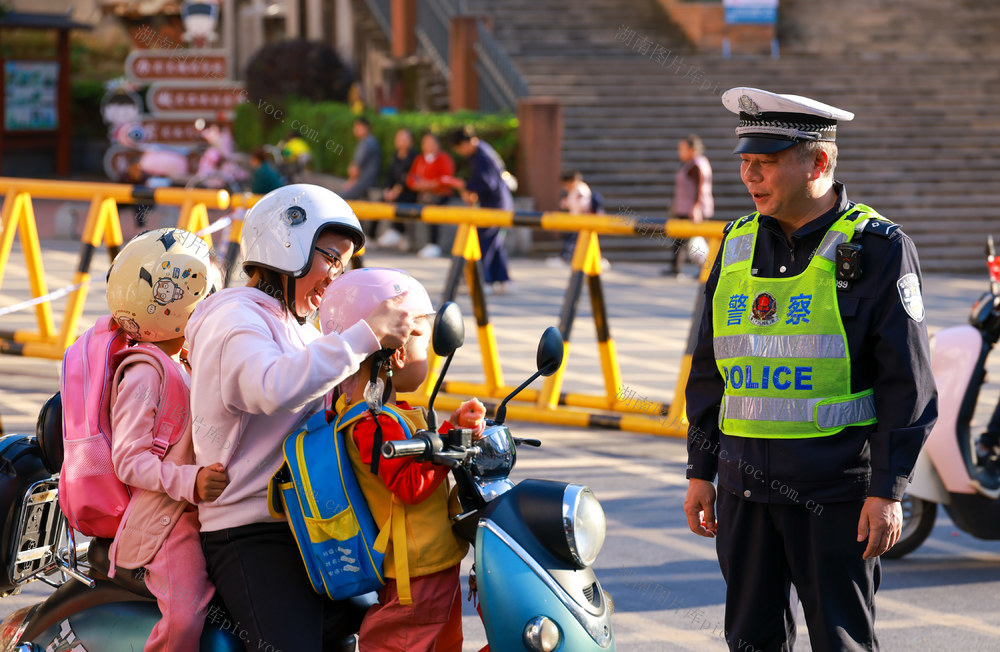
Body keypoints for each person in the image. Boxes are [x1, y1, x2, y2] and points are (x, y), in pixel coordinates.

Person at [682, 87, 937, 652]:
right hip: (743, 488)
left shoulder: (880, 248)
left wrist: (888, 490)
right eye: (746, 161)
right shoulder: (735, 241)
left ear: (818, 163)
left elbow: (907, 383)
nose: (750, 176)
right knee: (750, 640)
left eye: (766, 162)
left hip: (836, 494)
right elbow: (708, 368)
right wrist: (701, 469)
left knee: (841, 642)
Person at [185, 184, 417, 651]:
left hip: (309, 522)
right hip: (250, 530)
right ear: (286, 247)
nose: (336, 276)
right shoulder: (235, 319)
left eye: (344, 264)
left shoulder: (297, 328)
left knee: (380, 624)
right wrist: (365, 335)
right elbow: (273, 387)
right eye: (331, 258)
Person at [319, 268, 485, 652]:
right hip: (417, 574)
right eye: (423, 342)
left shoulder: (384, 414)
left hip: (431, 563)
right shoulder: (373, 422)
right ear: (398, 353)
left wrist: (455, 428)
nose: (428, 355)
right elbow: (409, 485)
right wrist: (449, 442)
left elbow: (423, 452)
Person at [105, 228, 227, 651]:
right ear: (173, 307)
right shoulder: (145, 372)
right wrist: (191, 481)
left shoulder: (183, 362)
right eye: (206, 300)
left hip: (196, 511)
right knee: (185, 617)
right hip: (167, 520)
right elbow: (129, 460)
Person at [446, 126, 513, 292]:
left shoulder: (481, 156)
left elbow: (486, 183)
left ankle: (483, 281)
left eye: (458, 149)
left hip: (494, 206)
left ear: (464, 144)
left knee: (484, 242)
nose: (460, 152)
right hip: (500, 203)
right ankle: (501, 279)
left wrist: (466, 187)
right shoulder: (483, 151)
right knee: (495, 243)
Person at [667, 133, 714, 278]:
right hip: (686, 208)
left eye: (682, 149)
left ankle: (705, 268)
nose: (679, 152)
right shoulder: (693, 163)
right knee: (680, 239)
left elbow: (700, 187)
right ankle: (676, 267)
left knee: (695, 241)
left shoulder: (696, 165)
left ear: (692, 149)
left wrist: (696, 207)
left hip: (692, 210)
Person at [407, 131, 456, 259]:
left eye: (431, 143)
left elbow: (446, 179)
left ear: (437, 144)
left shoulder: (444, 158)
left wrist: (430, 185)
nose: (428, 145)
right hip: (422, 194)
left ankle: (434, 244)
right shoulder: (419, 159)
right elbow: (411, 178)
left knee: (432, 207)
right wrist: (420, 185)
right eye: (425, 143)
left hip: (441, 194)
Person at [377, 128, 419, 251]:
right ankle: (371, 236)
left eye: (405, 139)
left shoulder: (414, 157)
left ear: (411, 141)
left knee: (401, 202)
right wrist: (387, 190)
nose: (402, 141)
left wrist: (395, 191)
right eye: (399, 138)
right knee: (378, 201)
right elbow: (389, 176)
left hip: (409, 192)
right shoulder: (395, 156)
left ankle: (399, 232)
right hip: (393, 192)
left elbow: (408, 177)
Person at [547, 170, 594, 268]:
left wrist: (568, 203)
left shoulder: (580, 190)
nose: (565, 187)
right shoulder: (576, 189)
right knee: (579, 241)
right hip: (576, 220)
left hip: (580, 220)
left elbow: (583, 205)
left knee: (572, 241)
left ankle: (564, 258)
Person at [341, 116, 382, 201]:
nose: (355, 129)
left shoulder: (367, 143)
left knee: (341, 198)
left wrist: (351, 181)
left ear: (365, 128)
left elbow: (355, 169)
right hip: (365, 180)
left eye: (357, 127)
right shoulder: (367, 141)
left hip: (365, 181)